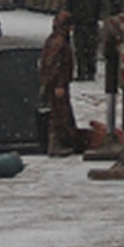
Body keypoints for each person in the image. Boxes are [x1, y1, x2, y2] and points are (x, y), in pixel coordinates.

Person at [38, 10, 86, 155]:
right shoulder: (59, 42)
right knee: (59, 113)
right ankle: (56, 144)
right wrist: (58, 84)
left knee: (60, 112)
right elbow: (55, 64)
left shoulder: (55, 39)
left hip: (54, 82)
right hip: (57, 83)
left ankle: (63, 142)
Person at [66, 0, 105, 81]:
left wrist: (101, 18)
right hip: (79, 24)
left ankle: (91, 72)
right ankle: (81, 72)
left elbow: (103, 4)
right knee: (80, 50)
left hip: (91, 24)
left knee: (91, 50)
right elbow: (69, 6)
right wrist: (69, 20)